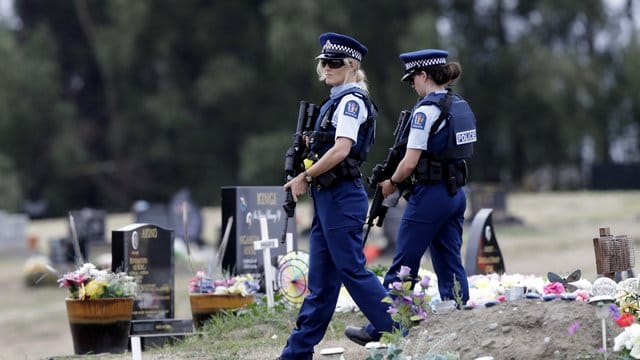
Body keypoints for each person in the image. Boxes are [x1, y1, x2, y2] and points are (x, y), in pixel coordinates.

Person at [278, 32, 394, 359]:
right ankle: (296, 353)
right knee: (322, 283)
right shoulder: (336, 99)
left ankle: (396, 327)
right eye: (323, 62)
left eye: (334, 63)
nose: (326, 68)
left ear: (351, 66)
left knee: (351, 270)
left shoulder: (351, 101)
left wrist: (304, 176)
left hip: (342, 196)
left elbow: (342, 149)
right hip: (327, 198)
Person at [350, 48, 478, 345]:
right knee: (449, 260)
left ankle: (382, 326)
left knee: (404, 263)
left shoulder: (425, 110)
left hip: (430, 196)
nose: (412, 86)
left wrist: (391, 183)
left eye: (412, 80)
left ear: (423, 75)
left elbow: (409, 162)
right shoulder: (458, 104)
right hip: (456, 192)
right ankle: (458, 320)